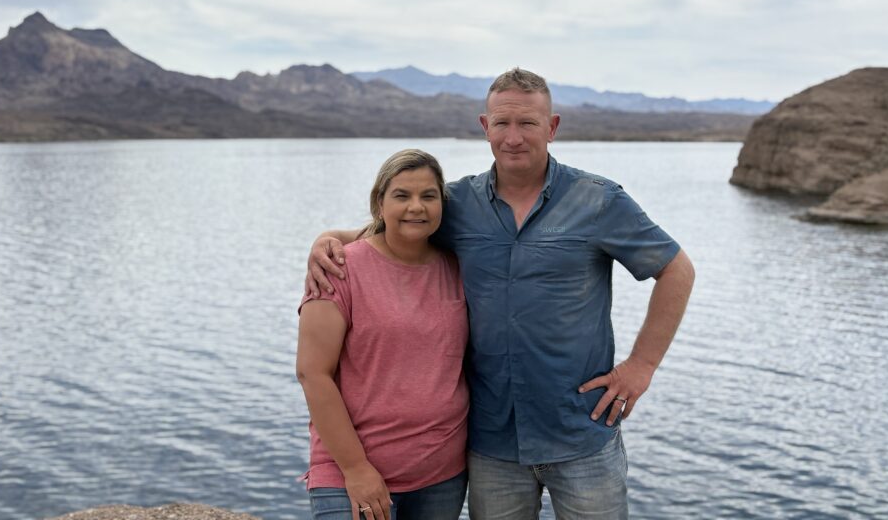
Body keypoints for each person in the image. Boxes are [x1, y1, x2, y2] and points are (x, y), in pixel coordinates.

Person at [306, 69, 695, 520]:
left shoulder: (598, 201)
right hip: (492, 444)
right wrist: (328, 239)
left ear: (551, 128)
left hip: (582, 432)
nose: (514, 137)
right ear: (484, 126)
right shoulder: (457, 205)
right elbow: (390, 228)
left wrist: (641, 366)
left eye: (528, 123)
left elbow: (676, 269)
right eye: (502, 123)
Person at [296, 149, 469, 520]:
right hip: (349, 475)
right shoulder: (339, 268)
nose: (416, 207)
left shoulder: (457, 266)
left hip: (441, 475)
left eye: (428, 196)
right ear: (379, 202)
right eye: (402, 195)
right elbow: (313, 374)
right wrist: (356, 469)